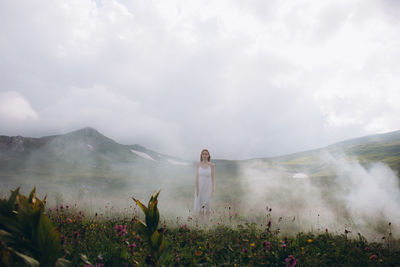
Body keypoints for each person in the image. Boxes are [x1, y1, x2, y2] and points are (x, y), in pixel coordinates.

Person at [194, 149, 215, 218]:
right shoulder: (198, 165)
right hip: (200, 187)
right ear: (201, 155)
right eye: (203, 154)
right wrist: (197, 189)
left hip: (208, 187)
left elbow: (212, 178)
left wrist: (212, 189)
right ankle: (201, 224)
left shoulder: (211, 165)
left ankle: (207, 224)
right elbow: (196, 177)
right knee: (200, 206)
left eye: (206, 154)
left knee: (208, 206)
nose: (205, 155)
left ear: (208, 155)